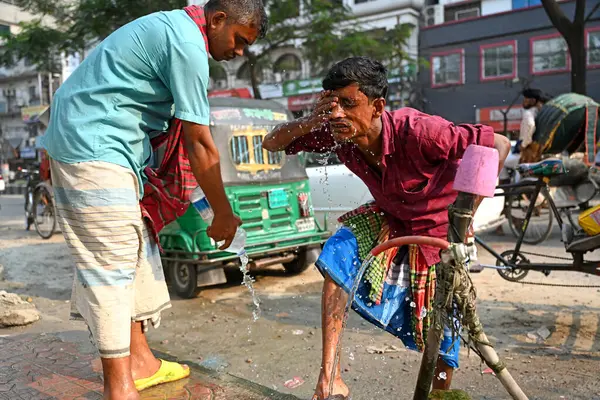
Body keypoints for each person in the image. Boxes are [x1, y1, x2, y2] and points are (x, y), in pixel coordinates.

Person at [41, 1, 267, 398]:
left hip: (103, 145)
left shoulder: (174, 30)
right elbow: (200, 145)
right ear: (217, 20)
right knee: (110, 268)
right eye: (238, 40)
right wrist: (224, 215)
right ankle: (120, 387)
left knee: (137, 245)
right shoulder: (187, 44)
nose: (239, 52)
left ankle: (141, 361)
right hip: (94, 148)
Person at [263, 56, 510, 399]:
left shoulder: (420, 131)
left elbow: (498, 144)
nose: (337, 115)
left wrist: (466, 216)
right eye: (331, 106)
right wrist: (311, 119)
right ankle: (330, 377)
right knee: (338, 253)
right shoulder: (336, 132)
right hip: (390, 220)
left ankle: (437, 395)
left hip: (439, 235)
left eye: (349, 104)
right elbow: (272, 142)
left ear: (377, 106)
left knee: (442, 336)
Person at [518, 88, 552, 163]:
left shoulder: (528, 113)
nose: (523, 101)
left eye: (525, 99)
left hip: (530, 149)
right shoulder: (541, 113)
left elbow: (530, 125)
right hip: (539, 148)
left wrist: (524, 144)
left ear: (533, 100)